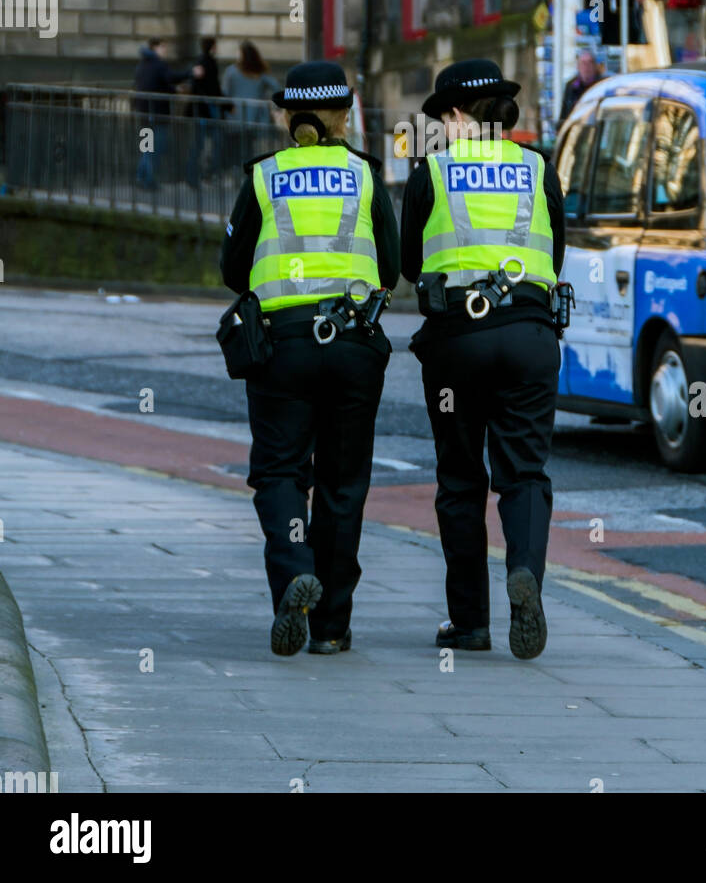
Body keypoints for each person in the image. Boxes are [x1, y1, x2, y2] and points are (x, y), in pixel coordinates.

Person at [220, 61, 400, 657]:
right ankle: (330, 627)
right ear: (341, 116)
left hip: (283, 349)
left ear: (288, 117)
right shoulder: (366, 177)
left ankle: (296, 566)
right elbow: (392, 267)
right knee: (342, 484)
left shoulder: (265, 177)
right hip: (353, 346)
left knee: (280, 473)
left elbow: (232, 268)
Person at [401, 58, 566, 660]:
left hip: (458, 343)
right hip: (529, 334)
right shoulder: (537, 168)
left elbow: (411, 264)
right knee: (524, 474)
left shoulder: (433, 172)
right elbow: (559, 252)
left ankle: (469, 622)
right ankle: (525, 575)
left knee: (461, 478)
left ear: (452, 114)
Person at [133, 37, 190, 190]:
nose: (165, 50)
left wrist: (173, 90)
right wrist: (190, 72)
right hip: (157, 114)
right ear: (155, 48)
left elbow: (157, 84)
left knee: (146, 148)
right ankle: (148, 180)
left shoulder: (143, 64)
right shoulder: (158, 64)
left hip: (144, 112)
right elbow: (170, 77)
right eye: (163, 47)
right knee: (154, 148)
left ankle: (141, 177)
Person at [186, 36, 226, 186]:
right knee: (208, 143)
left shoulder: (199, 62)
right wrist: (227, 105)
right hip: (207, 108)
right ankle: (205, 174)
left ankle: (197, 176)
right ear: (212, 47)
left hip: (202, 109)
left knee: (200, 144)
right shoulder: (208, 63)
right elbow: (214, 88)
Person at [221, 41, 279, 125]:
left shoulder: (230, 71)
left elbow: (225, 92)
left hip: (235, 116)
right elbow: (276, 87)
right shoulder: (260, 72)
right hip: (256, 116)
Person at [560, 49, 605, 125]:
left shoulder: (602, 85)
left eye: (589, 63)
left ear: (595, 66)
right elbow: (564, 114)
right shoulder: (571, 86)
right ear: (578, 66)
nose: (586, 67)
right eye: (583, 63)